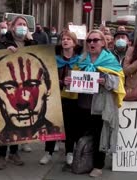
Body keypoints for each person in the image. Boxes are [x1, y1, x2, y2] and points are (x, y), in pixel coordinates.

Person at [67, 29, 125, 177]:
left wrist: (106, 80)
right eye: (89, 40)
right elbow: (73, 78)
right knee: (82, 134)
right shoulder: (81, 59)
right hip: (82, 104)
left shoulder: (110, 59)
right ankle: (83, 161)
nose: (92, 43)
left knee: (100, 134)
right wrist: (69, 81)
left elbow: (119, 81)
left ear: (103, 43)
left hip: (100, 104)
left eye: (95, 40)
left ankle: (98, 165)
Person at [0, 15, 38, 170]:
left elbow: (37, 57)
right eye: (19, 24)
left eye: (24, 24)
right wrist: (4, 52)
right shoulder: (1, 41)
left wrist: (31, 41)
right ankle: (1, 155)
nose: (22, 27)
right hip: (7, 85)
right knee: (6, 119)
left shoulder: (30, 42)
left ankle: (14, 152)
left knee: (18, 119)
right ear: (12, 27)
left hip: (24, 86)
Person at [39, 30, 82, 165]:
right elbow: (45, 76)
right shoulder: (54, 59)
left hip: (73, 98)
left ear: (74, 43)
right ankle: (48, 152)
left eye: (69, 39)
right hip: (55, 96)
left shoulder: (81, 60)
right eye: (63, 39)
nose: (65, 41)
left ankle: (69, 152)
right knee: (52, 124)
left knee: (71, 125)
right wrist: (60, 82)